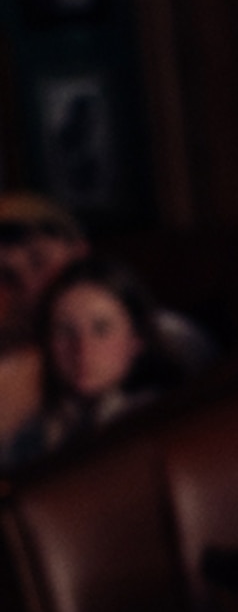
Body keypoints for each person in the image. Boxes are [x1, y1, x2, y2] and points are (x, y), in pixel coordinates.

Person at [1, 254, 193, 470]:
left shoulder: (158, 418)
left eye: (101, 330)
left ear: (135, 340)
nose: (82, 349)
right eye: (64, 331)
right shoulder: (35, 430)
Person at [0, 192, 88, 455]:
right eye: (5, 276)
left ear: (80, 255)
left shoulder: (160, 333)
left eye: (40, 262)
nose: (28, 288)